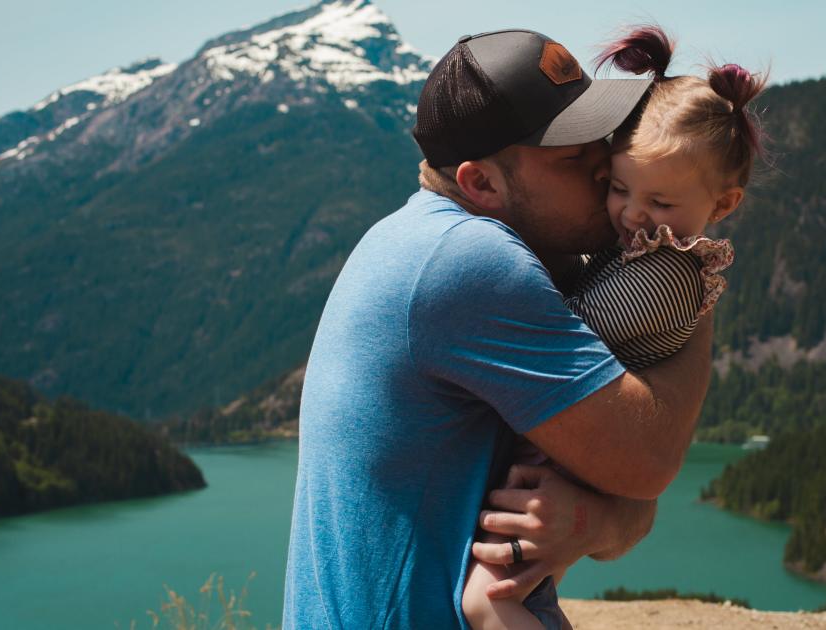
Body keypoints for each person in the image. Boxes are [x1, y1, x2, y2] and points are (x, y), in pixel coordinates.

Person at [282, 28, 715, 629]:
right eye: (572, 156)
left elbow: (625, 495)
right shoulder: (469, 263)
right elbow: (647, 461)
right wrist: (692, 273)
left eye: (598, 139)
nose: (604, 167)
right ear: (480, 183)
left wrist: (593, 519)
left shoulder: (414, 235)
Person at [459, 25, 769, 630]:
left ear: (723, 205)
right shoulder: (645, 248)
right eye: (619, 187)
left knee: (491, 602)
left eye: (658, 202)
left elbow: (565, 332)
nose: (631, 213)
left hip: (563, 465)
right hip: (564, 450)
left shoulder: (667, 275)